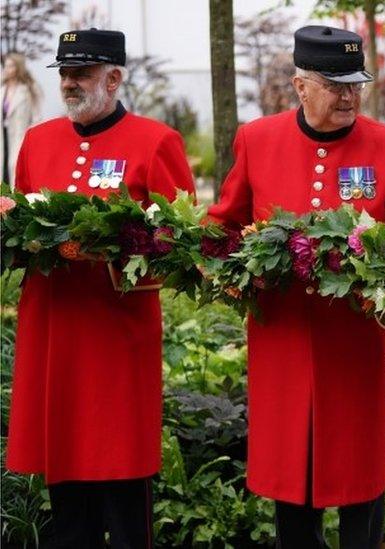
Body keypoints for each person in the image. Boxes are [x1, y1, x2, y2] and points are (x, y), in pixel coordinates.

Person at [207, 25, 385, 549]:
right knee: (291, 485)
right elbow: (223, 226)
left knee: (359, 482)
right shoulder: (257, 140)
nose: (348, 95)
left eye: (355, 84)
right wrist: (230, 271)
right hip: (283, 342)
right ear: (300, 85)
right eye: (334, 84)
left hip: (357, 346)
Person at [6, 29, 195, 547]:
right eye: (64, 73)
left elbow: (182, 245)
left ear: (114, 78)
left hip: (117, 338)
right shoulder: (37, 140)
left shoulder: (156, 142)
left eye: (81, 74)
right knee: (65, 489)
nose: (69, 84)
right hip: (54, 331)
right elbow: (22, 226)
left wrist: (114, 250)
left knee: (123, 485)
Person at [1, 52, 43, 185]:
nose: (7, 70)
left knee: (15, 167)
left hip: (20, 136)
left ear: (18, 68)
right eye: (6, 66)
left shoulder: (29, 89)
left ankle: (15, 202)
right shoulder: (2, 89)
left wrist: (32, 139)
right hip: (3, 136)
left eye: (11, 66)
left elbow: (36, 117)